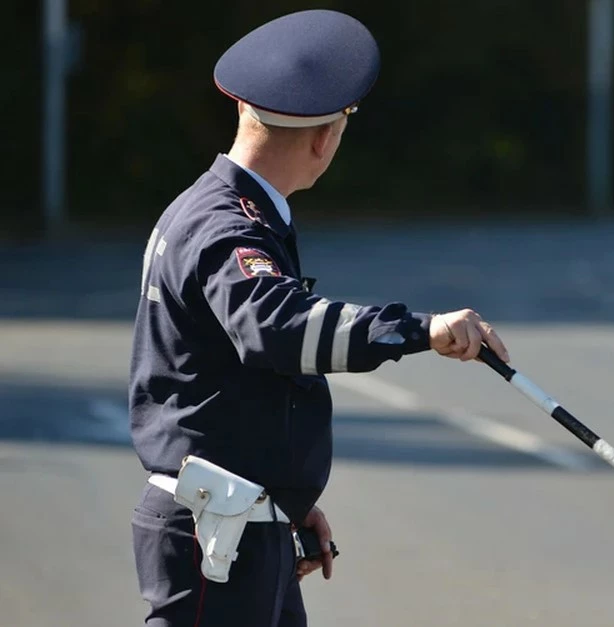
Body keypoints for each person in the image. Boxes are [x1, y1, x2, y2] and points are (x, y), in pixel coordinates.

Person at [128, 9, 510, 627]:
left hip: (243, 522)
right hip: (217, 537)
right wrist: (421, 329)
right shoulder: (229, 228)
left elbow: (233, 375)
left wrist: (283, 497)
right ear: (325, 138)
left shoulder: (221, 209)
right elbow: (279, 330)